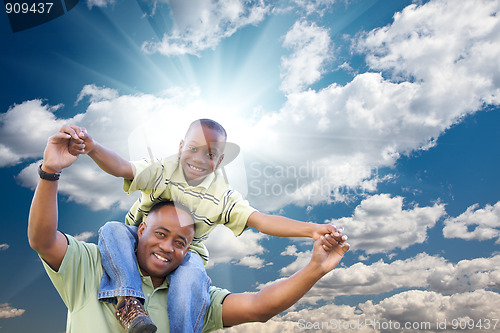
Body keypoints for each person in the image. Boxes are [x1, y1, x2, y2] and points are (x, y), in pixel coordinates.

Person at [28, 126, 350, 333]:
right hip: (123, 243)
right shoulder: (92, 266)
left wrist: (314, 255)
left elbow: (259, 302)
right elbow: (43, 239)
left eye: (179, 240)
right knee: (112, 229)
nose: (168, 246)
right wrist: (58, 167)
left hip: (191, 268)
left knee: (192, 272)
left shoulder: (192, 289)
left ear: (220, 161)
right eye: (160, 234)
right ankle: (128, 301)